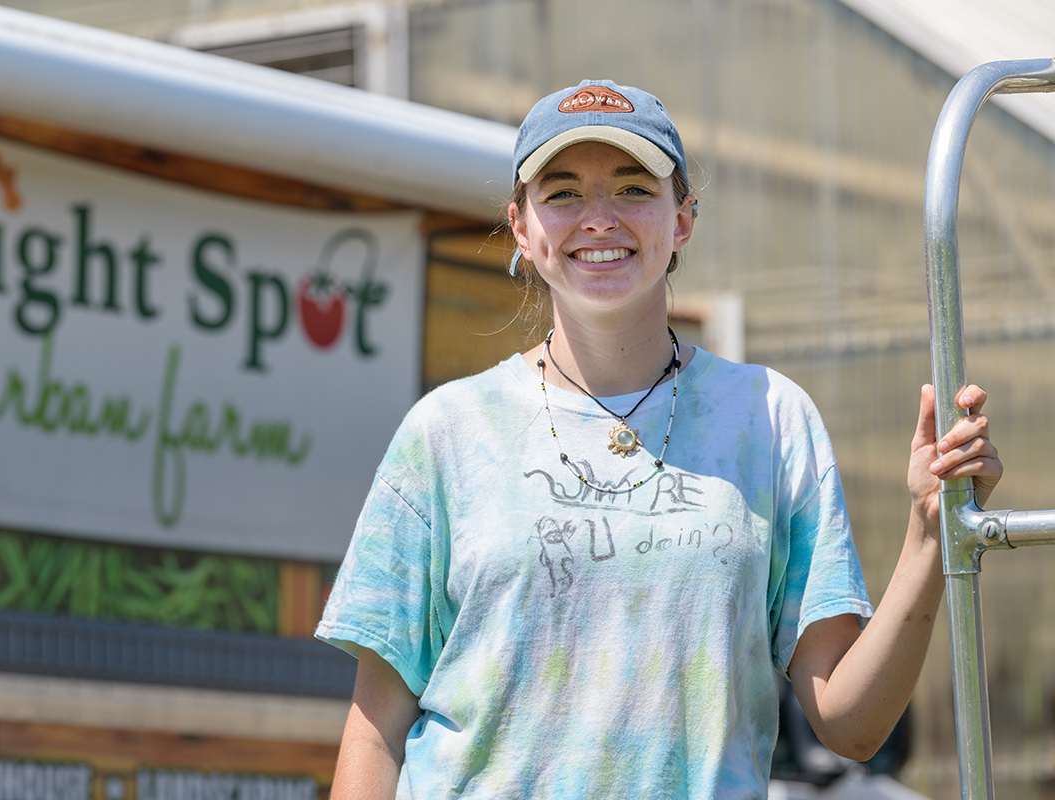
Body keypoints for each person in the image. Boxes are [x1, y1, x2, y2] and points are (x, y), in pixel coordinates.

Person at [315, 80, 1002, 799]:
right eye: (564, 193)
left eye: (634, 188)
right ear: (521, 226)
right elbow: (375, 731)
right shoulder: (447, 433)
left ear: (682, 220)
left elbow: (851, 724)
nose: (600, 219)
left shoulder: (768, 417)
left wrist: (930, 534)